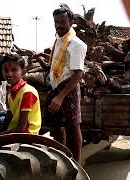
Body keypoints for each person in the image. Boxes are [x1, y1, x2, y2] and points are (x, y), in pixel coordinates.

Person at [42, 5, 87, 164]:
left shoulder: (76, 44)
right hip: (56, 88)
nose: (59, 25)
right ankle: (62, 160)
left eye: (62, 21)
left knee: (73, 128)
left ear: (71, 21)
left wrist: (60, 97)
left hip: (69, 89)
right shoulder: (58, 41)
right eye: (56, 22)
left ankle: (76, 165)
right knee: (57, 127)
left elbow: (78, 74)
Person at [0, 54, 41, 137]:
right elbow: (5, 125)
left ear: (23, 72)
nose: (9, 74)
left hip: (27, 135)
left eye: (14, 70)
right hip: (14, 132)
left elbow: (21, 129)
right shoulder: (10, 92)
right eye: (6, 70)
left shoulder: (27, 93)